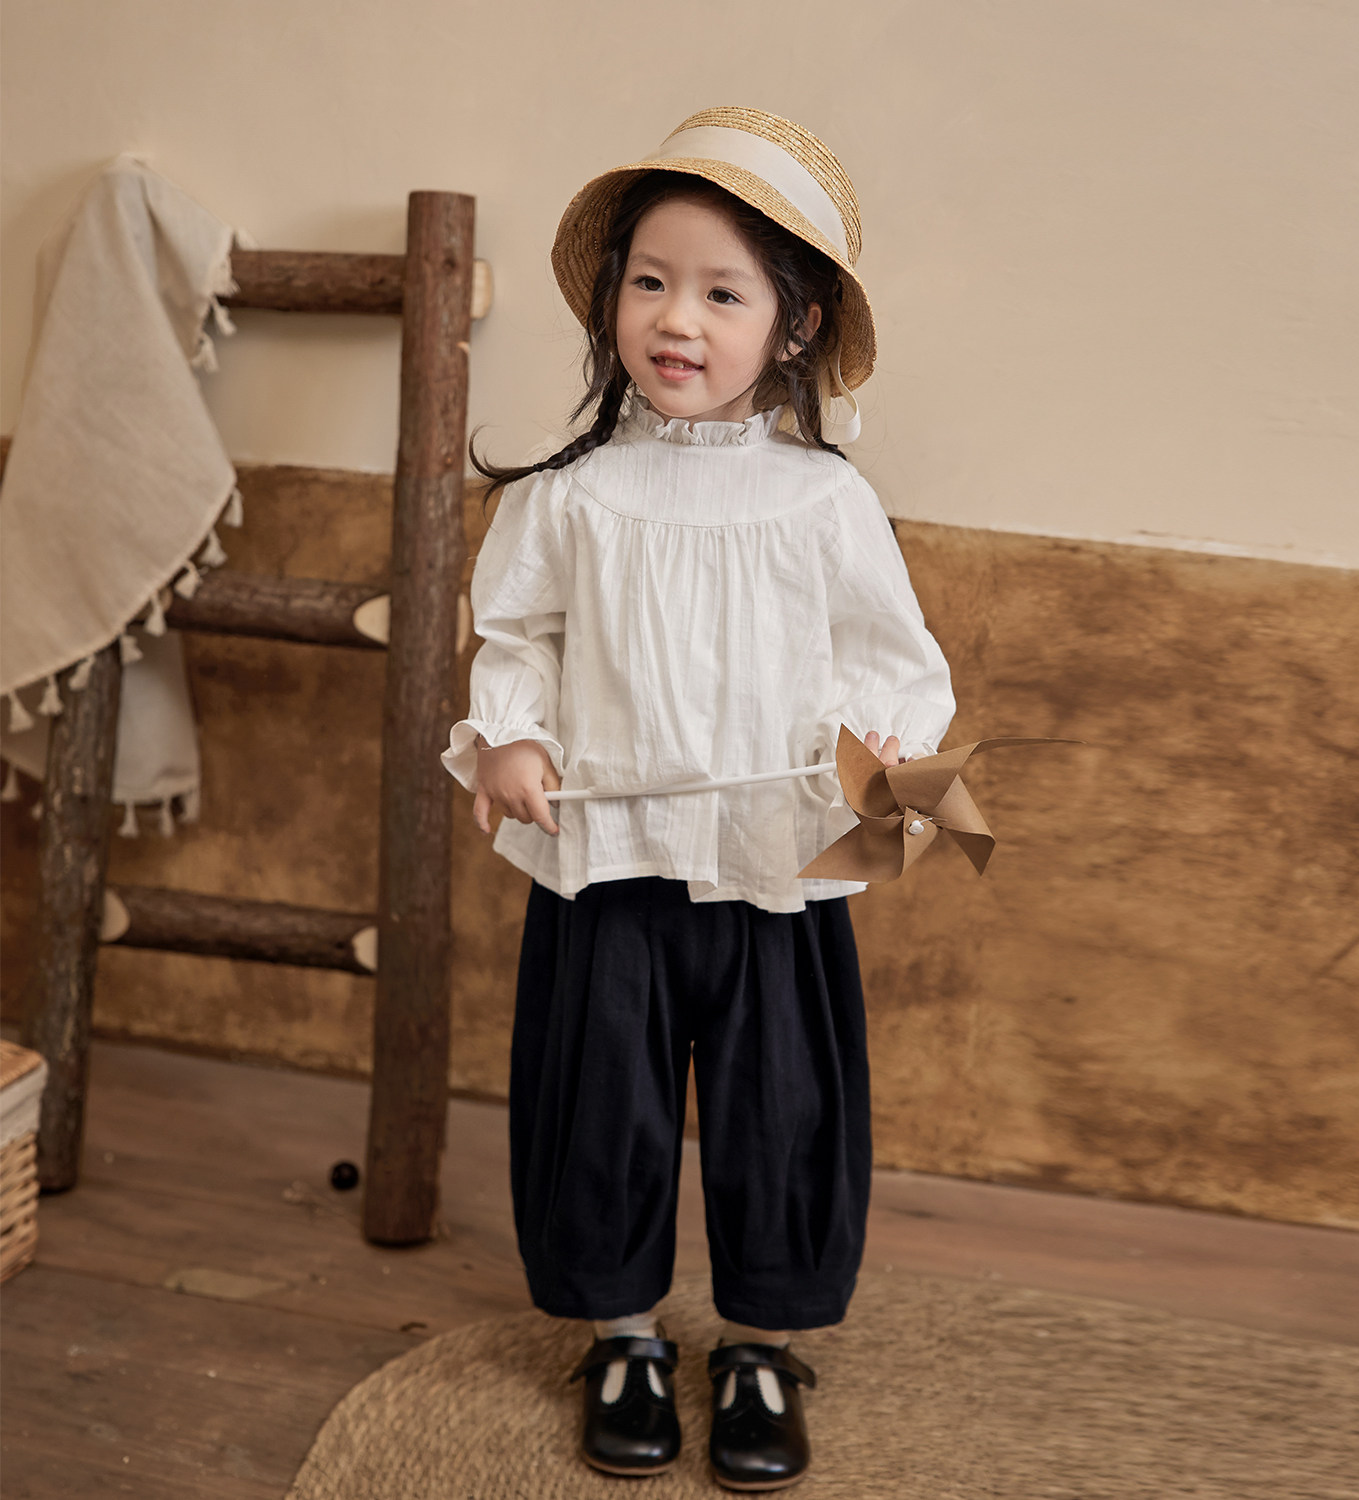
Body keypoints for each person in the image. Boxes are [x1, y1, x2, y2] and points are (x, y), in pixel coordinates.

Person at [442, 106, 955, 1491]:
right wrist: (510, 742)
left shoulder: (824, 502)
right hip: (605, 858)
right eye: (651, 281)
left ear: (793, 326)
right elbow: (519, 641)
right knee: (600, 1101)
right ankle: (622, 1335)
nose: (677, 318)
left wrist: (890, 757)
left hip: (773, 868)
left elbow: (894, 662)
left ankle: (762, 1347)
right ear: (612, 299)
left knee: (780, 1105)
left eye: (724, 293)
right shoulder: (571, 496)